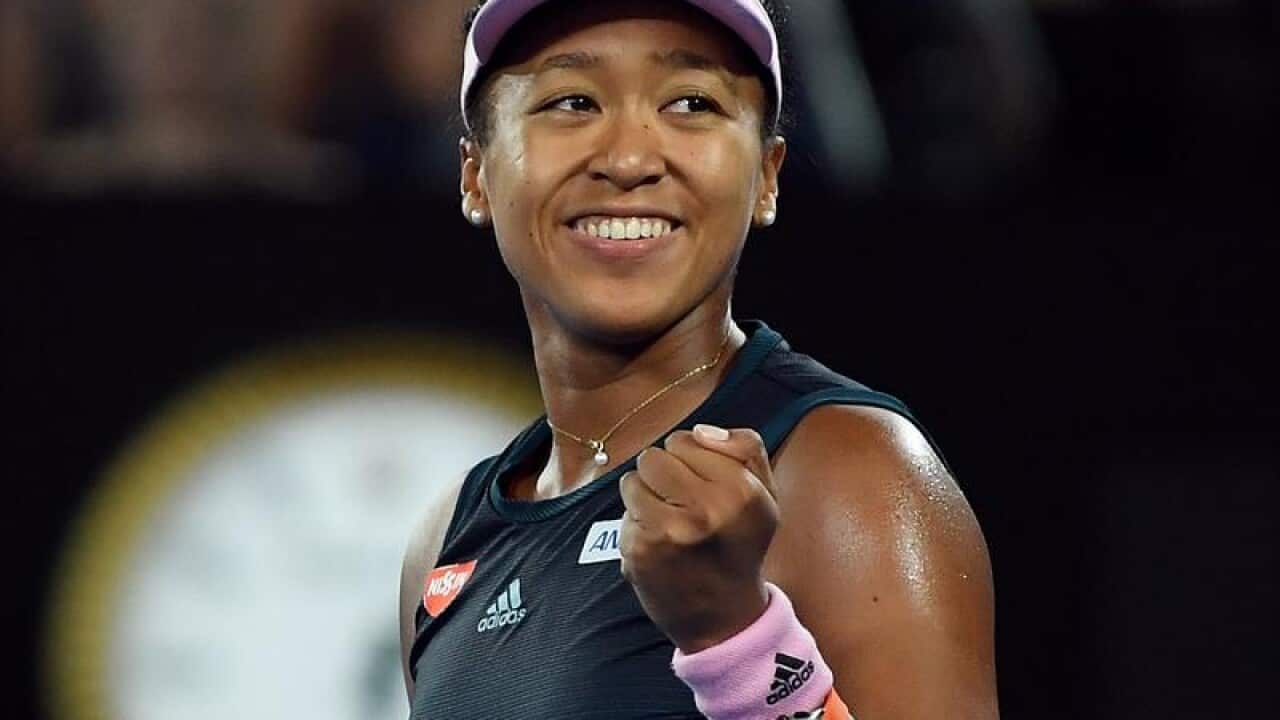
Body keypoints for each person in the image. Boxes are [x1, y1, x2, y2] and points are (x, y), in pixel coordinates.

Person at [399, 0, 996, 717]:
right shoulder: (446, 544)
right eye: (572, 102)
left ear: (767, 175)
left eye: (691, 103)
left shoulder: (851, 472)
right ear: (476, 175)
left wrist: (737, 638)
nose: (628, 160)